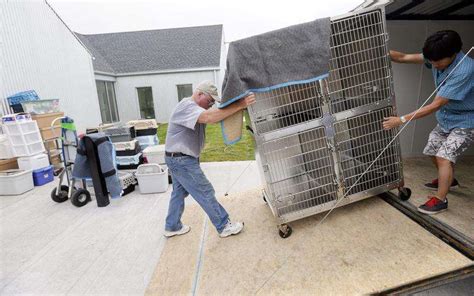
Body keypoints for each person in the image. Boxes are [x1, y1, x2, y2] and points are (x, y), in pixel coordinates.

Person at [383, 30, 474, 215]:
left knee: (444, 157)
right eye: (430, 60)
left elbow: (436, 105)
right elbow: (403, 57)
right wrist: (378, 50)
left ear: (453, 54)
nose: (432, 64)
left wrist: (400, 120)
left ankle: (441, 200)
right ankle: (448, 179)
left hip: (466, 121)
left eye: (437, 62)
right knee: (432, 150)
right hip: (445, 119)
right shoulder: (435, 56)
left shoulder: (464, 69)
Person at [163, 81, 256, 237]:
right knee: (205, 191)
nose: (212, 104)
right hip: (182, 160)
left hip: (177, 158)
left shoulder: (195, 108)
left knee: (179, 193)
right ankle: (224, 225)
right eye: (210, 100)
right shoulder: (187, 107)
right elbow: (210, 118)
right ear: (200, 94)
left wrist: (237, 106)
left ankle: (172, 226)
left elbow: (217, 116)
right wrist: (240, 104)